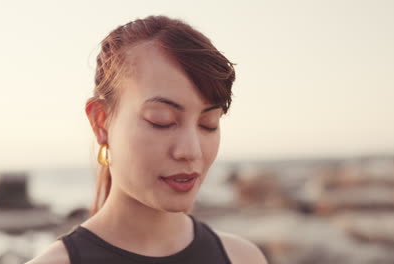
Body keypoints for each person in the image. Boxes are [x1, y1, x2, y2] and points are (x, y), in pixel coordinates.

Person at [27, 15, 268, 264]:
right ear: (101, 123)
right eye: (161, 120)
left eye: (208, 124)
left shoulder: (243, 258)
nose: (191, 150)